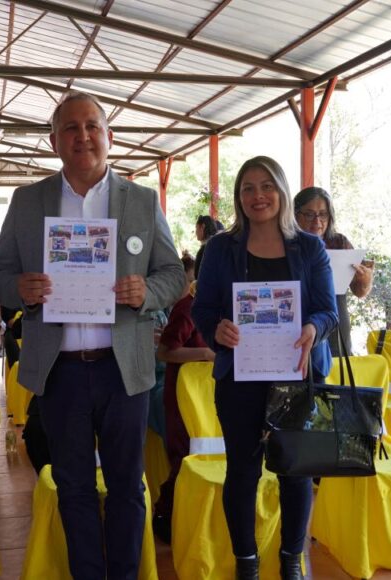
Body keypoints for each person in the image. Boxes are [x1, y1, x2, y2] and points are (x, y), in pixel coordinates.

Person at [0, 90, 183, 579]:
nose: (83, 136)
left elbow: (173, 274)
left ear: (109, 137)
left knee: (127, 487)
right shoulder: (28, 201)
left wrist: (146, 292)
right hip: (61, 372)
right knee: (72, 487)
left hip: (123, 370)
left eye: (92, 126)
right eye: (70, 128)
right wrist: (19, 288)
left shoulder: (142, 200)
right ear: (54, 141)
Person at [191, 156, 337, 580]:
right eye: (248, 188)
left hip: (296, 376)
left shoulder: (309, 247)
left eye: (267, 186)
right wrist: (216, 329)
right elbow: (203, 309)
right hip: (239, 380)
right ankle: (247, 563)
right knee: (242, 472)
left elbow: (328, 311)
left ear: (282, 191)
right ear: (239, 197)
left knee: (295, 473)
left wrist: (313, 327)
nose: (258, 196)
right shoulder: (220, 249)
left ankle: (292, 560)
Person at [152, 253, 214, 543]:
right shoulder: (189, 306)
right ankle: (166, 515)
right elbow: (165, 352)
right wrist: (206, 354)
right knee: (185, 457)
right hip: (182, 396)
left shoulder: (226, 304)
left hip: (211, 395)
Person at [293, 186, 373, 355]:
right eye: (309, 214)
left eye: (323, 214)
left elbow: (360, 292)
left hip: (335, 319)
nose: (317, 221)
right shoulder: (287, 243)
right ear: (295, 215)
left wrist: (365, 280)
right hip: (297, 317)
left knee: (338, 366)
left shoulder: (338, 242)